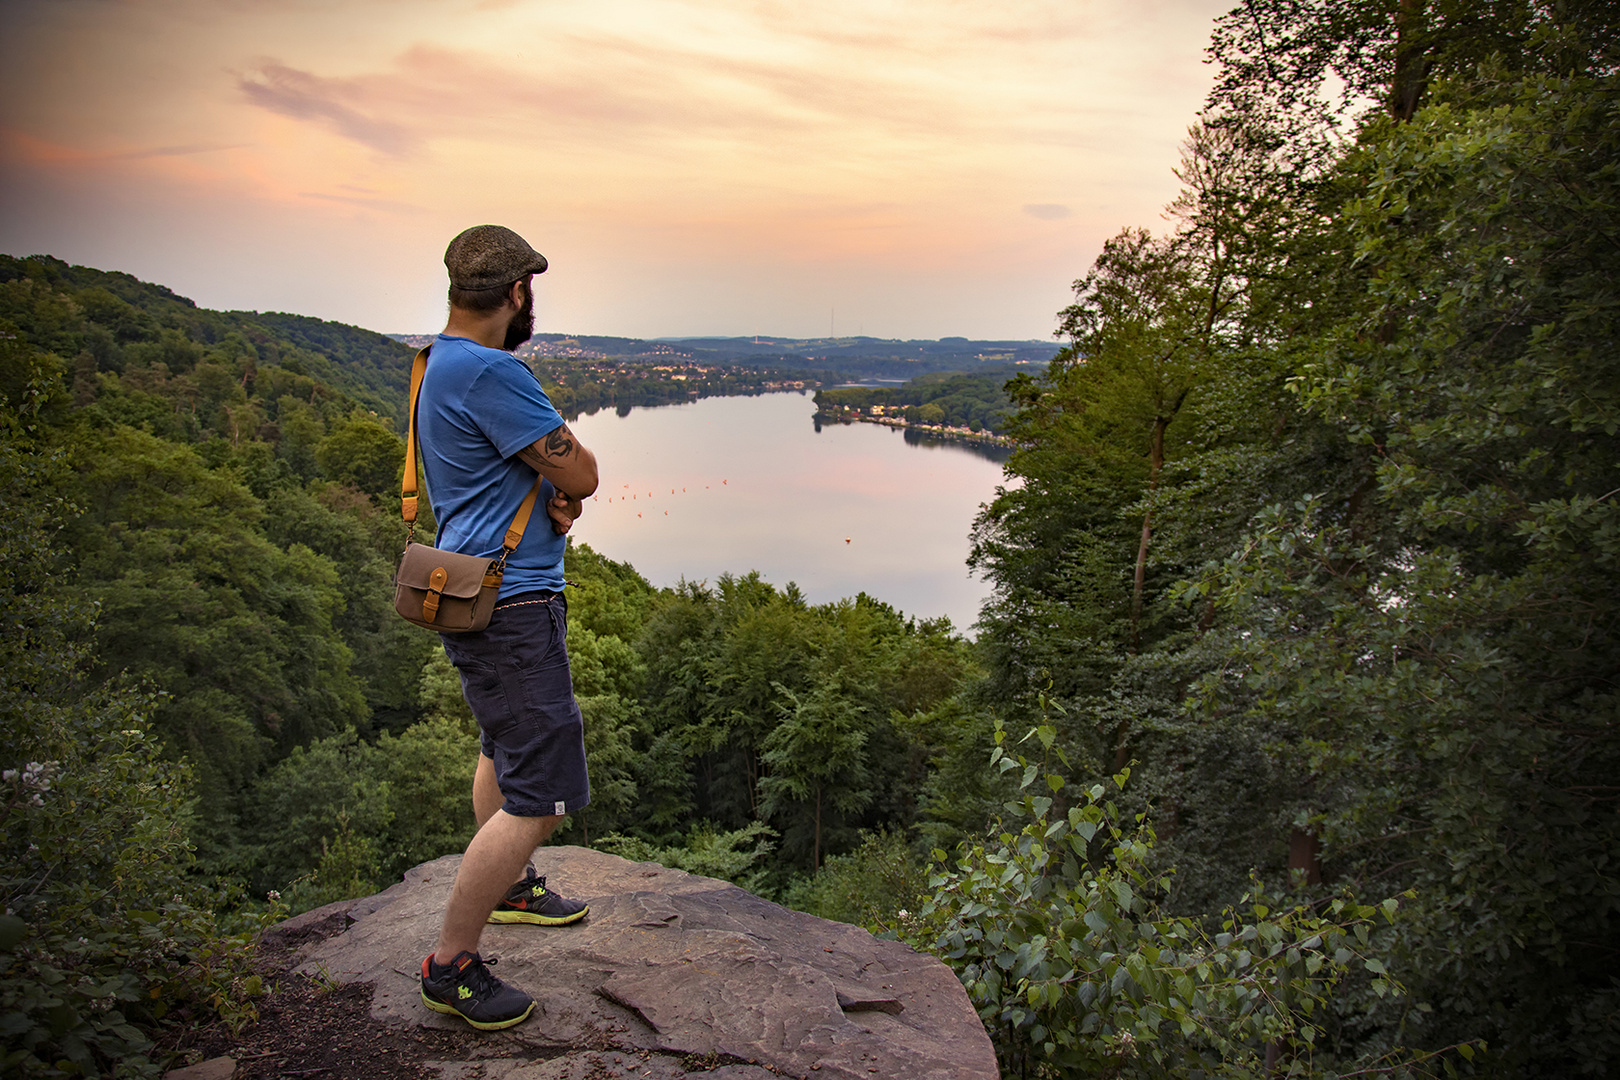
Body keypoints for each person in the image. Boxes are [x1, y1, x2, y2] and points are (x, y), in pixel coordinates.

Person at [415, 225, 601, 1031]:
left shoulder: (433, 364)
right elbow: (582, 470)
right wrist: (564, 489)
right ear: (518, 293)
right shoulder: (495, 371)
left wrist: (544, 497)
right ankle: (452, 964)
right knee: (545, 795)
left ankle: (515, 885)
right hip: (514, 604)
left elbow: (508, 475)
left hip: (473, 591)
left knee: (502, 746)